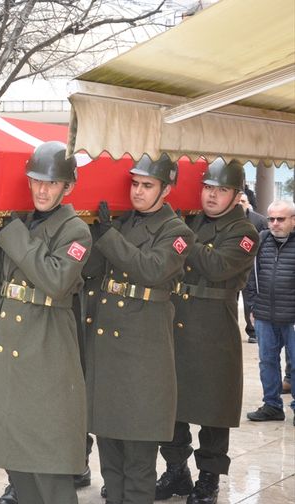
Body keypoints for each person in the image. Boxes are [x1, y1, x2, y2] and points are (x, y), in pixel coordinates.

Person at [0, 141, 90, 504]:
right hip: (8, 349)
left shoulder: (76, 230)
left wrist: (15, 234)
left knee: (48, 464)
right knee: (15, 459)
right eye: (36, 181)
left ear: (68, 187)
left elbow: (55, 280)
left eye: (51, 183)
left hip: (47, 349)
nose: (42, 189)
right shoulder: (19, 223)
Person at [84, 154, 194, 504]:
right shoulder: (121, 222)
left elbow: (151, 269)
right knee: (110, 456)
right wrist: (90, 229)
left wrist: (108, 236)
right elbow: (92, 269)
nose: (138, 191)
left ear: (166, 189)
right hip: (108, 347)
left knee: (139, 457)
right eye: (134, 184)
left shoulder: (177, 231)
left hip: (143, 352)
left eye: (147, 185)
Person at [155, 159, 258, 504]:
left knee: (215, 408)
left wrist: (181, 240)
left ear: (236, 194)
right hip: (178, 319)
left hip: (214, 326)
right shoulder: (190, 219)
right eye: (208, 188)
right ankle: (176, 470)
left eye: (221, 190)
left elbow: (216, 266)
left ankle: (209, 479)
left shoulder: (244, 232)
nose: (212, 196)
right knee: (173, 404)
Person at [244, 199, 295, 425]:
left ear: (293, 220)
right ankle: (272, 405)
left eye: (280, 219)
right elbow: (250, 276)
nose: (274, 223)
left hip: (292, 317)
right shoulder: (261, 240)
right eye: (271, 219)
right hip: (265, 315)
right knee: (267, 362)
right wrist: (253, 306)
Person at [238, 193, 267, 344]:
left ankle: (252, 331)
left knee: (250, 298)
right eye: (238, 200)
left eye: (243, 201)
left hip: (250, 266)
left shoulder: (259, 220)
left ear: (248, 203)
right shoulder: (227, 220)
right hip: (231, 266)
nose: (240, 203)